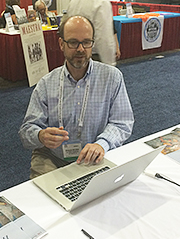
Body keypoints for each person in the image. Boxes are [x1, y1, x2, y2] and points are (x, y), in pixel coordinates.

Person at [19, 16, 134, 179]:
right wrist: (40, 135)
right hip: (53, 159)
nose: (80, 49)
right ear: (61, 44)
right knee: (48, 201)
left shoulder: (111, 77)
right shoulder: (46, 83)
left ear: (92, 43)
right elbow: (26, 131)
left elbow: (122, 122)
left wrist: (102, 144)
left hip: (96, 157)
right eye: (73, 42)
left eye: (86, 42)